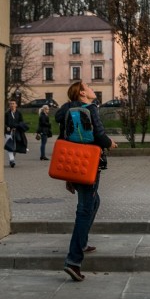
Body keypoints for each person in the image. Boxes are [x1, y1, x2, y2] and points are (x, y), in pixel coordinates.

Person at [55, 81, 117, 282]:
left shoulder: (66, 112)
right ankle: (73, 261)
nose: (91, 89)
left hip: (73, 162)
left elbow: (63, 138)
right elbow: (99, 135)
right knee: (84, 209)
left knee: (93, 202)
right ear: (82, 93)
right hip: (88, 163)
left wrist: (67, 175)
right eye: (88, 87)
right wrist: (110, 143)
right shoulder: (90, 109)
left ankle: (81, 244)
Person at [4, 99, 28, 168]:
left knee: (15, 147)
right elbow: (4, 123)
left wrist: (17, 126)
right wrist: (7, 127)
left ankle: (12, 158)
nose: (12, 105)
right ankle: (12, 160)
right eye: (11, 104)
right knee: (10, 146)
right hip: (9, 132)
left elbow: (21, 122)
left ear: (16, 105)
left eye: (13, 103)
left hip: (16, 132)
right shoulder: (7, 114)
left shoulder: (19, 113)